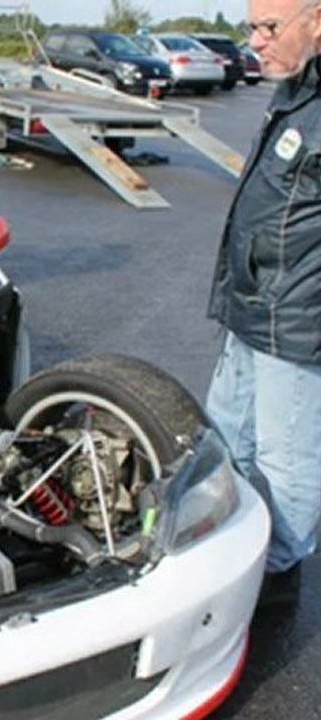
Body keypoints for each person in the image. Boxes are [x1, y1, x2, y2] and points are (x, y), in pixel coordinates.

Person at [206, 0, 321, 607]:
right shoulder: (297, 90)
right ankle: (228, 541)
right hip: (253, 303)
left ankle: (278, 571)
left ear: (318, 20)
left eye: (268, 27)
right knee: (224, 433)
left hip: (297, 318)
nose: (255, 41)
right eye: (250, 27)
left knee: (287, 455)